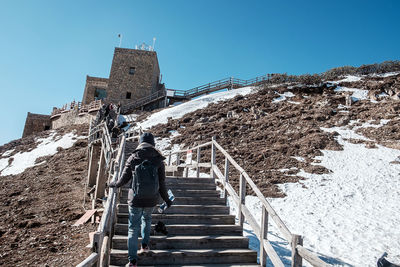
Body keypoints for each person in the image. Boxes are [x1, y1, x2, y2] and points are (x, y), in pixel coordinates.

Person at [109, 132, 172, 267]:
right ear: (152, 143)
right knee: (147, 219)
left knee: (133, 228)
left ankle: (132, 261)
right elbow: (162, 183)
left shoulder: (133, 157)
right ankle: (144, 245)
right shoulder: (158, 160)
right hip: (151, 199)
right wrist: (166, 200)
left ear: (140, 142)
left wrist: (113, 184)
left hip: (135, 199)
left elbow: (123, 180)